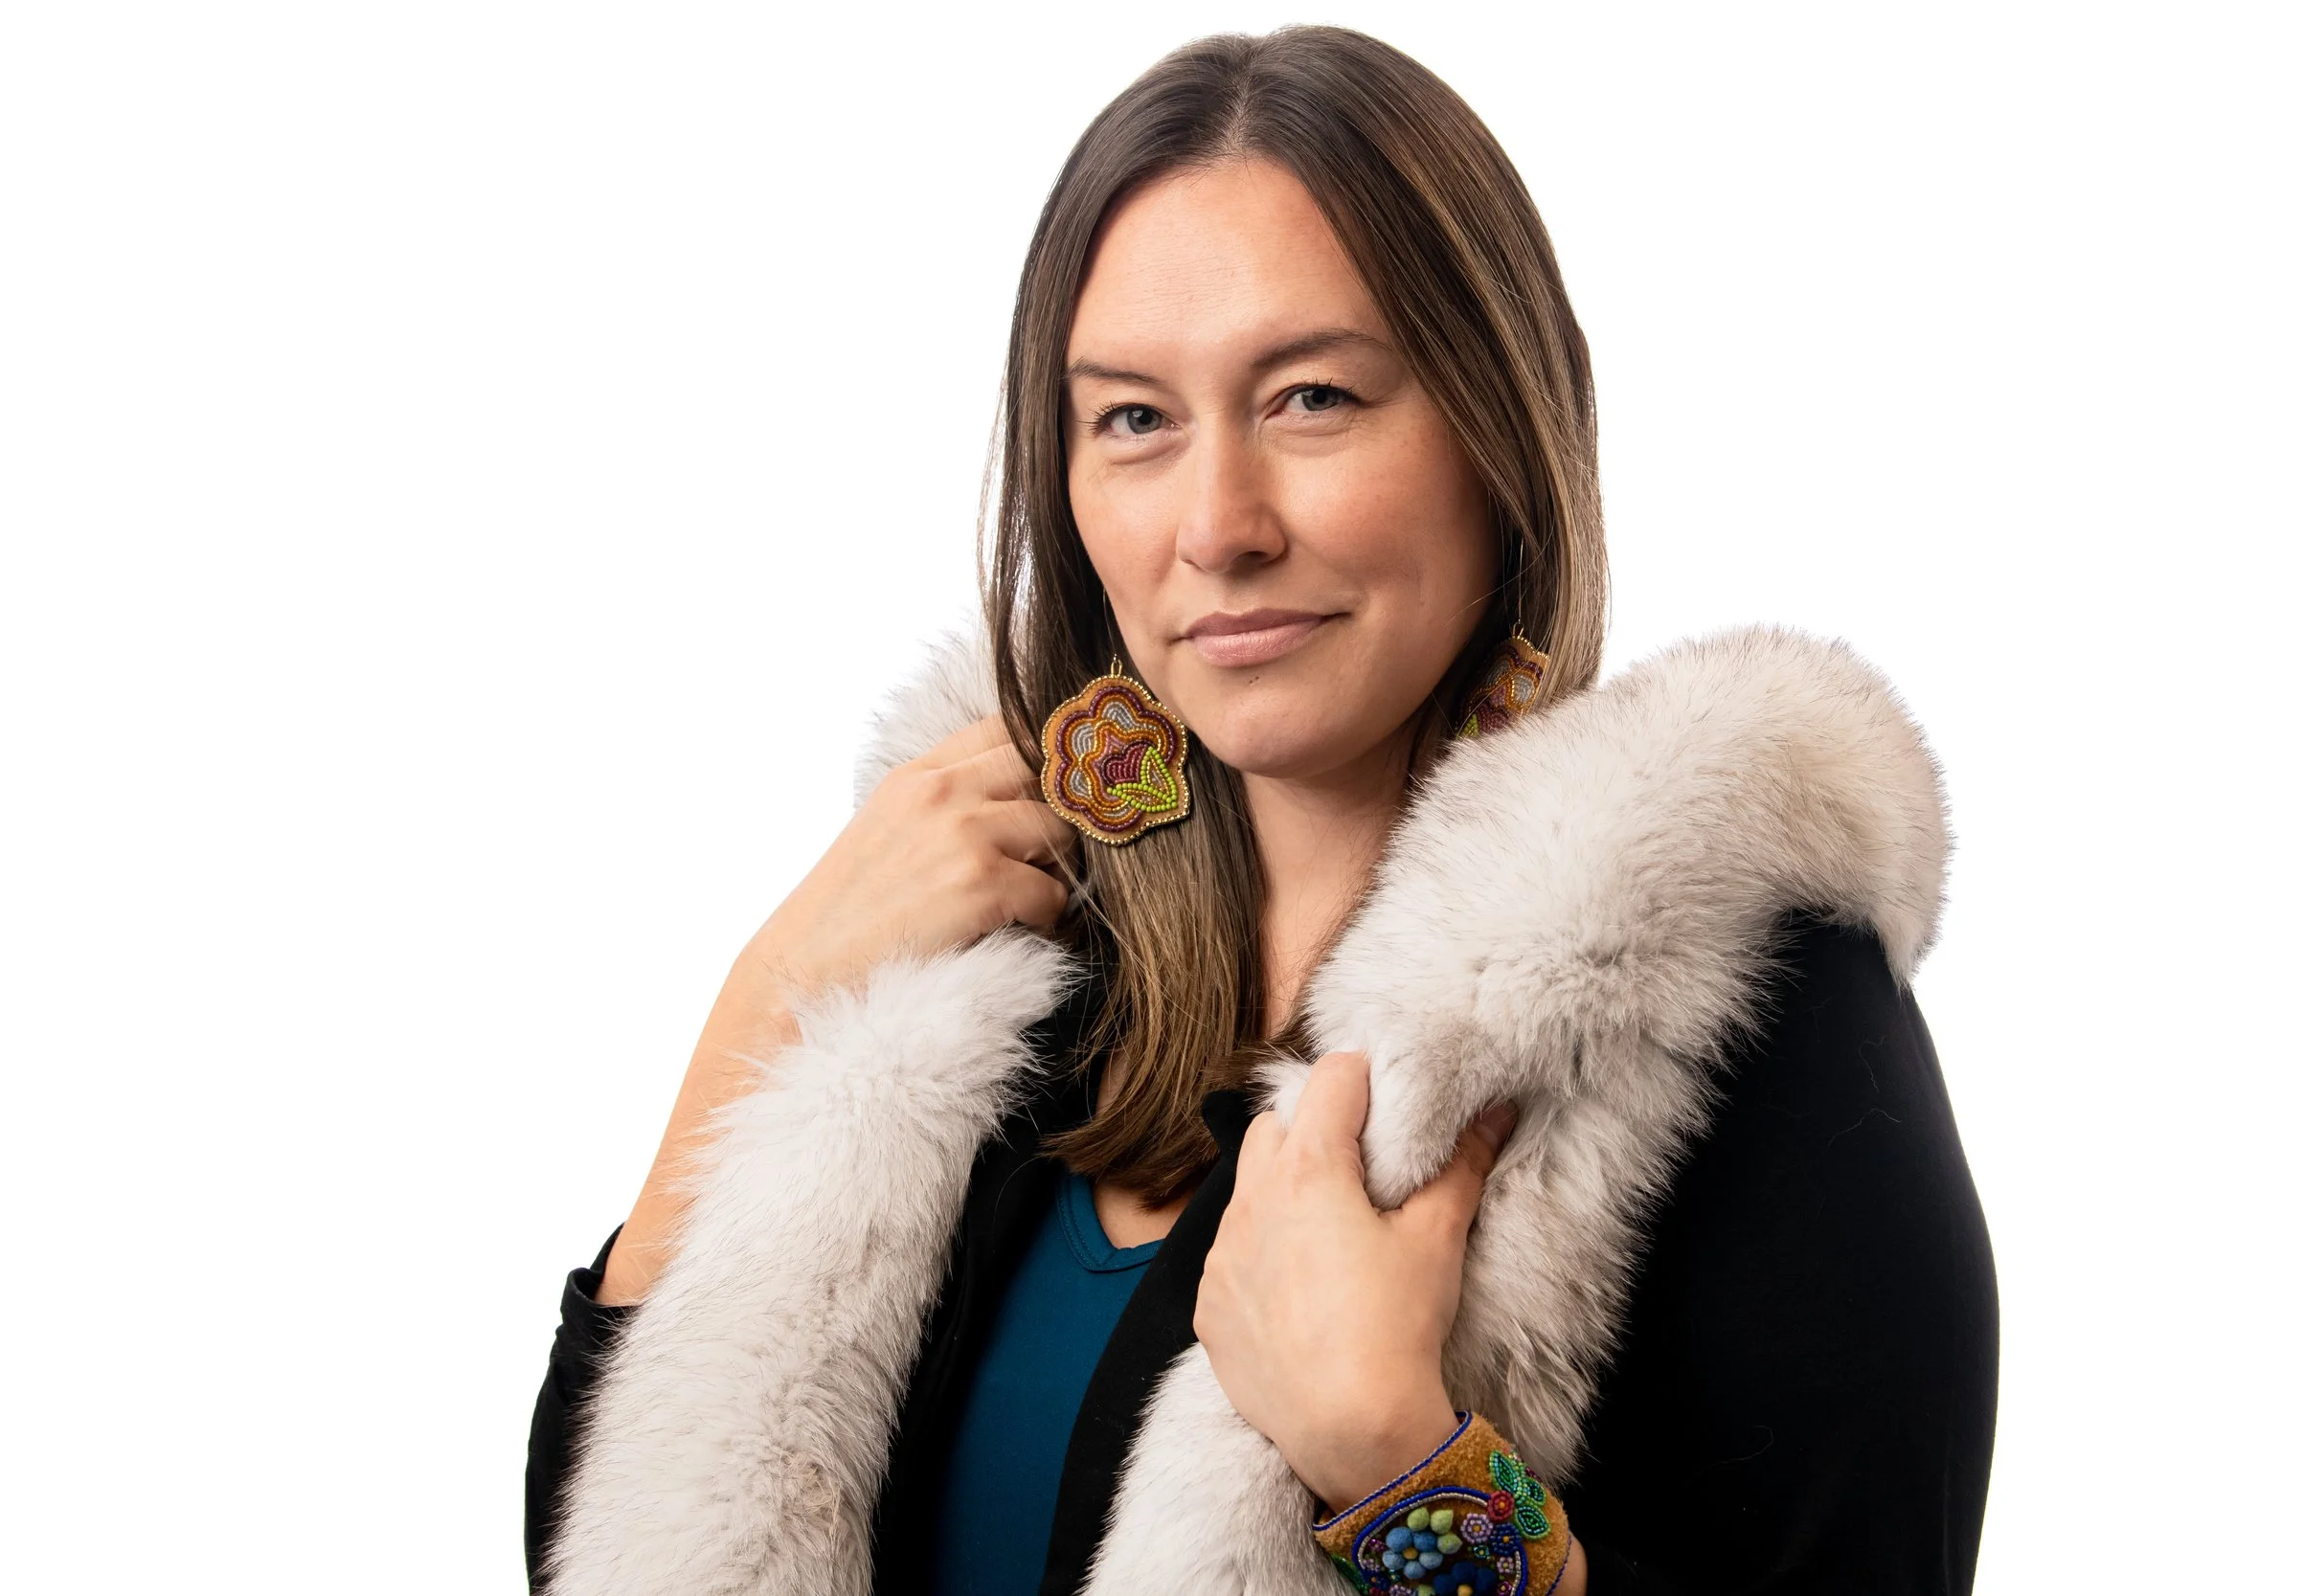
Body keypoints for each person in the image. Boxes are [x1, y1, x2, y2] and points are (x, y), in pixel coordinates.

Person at [526, 25, 1997, 1596]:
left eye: (1310, 397)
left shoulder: (1733, 1014)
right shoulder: (976, 991)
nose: (1217, 529)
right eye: (1135, 421)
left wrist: (1408, 1469)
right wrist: (765, 1011)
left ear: (1499, 432)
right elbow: (613, 1543)